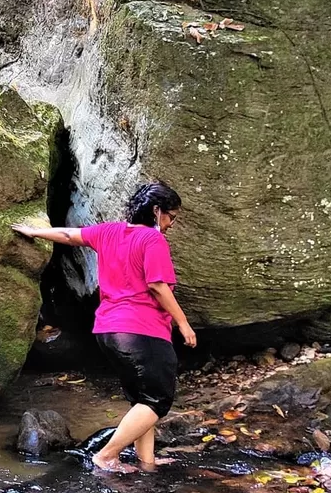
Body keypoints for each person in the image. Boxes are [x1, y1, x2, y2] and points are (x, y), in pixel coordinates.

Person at [12, 182, 196, 473]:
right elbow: (157, 285)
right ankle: (106, 455)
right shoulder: (152, 240)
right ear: (157, 211)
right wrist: (184, 324)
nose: (172, 223)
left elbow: (69, 235)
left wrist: (35, 232)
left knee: (141, 400)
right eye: (171, 216)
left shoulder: (109, 231)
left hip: (109, 331)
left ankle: (146, 462)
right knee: (158, 400)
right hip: (141, 330)